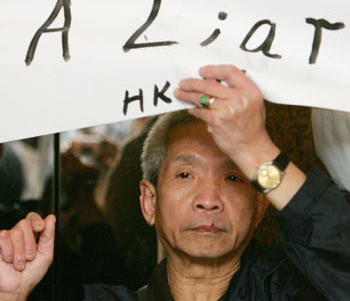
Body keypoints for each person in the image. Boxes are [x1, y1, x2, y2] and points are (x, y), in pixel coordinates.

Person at [0, 65, 349, 301]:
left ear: (259, 206)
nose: (208, 199)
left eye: (232, 177)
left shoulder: (299, 291)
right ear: (149, 202)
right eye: (185, 175)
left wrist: (257, 153)